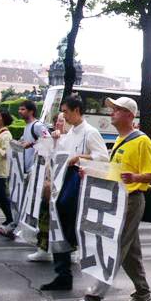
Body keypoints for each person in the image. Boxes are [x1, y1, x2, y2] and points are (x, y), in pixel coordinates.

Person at [67, 97, 151, 301]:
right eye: (113, 109)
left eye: (117, 109)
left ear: (129, 115)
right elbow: (114, 171)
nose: (112, 113)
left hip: (131, 201)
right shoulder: (120, 139)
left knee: (113, 248)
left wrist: (136, 177)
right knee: (130, 253)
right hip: (119, 201)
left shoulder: (141, 141)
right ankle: (143, 295)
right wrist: (91, 172)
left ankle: (92, 300)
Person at [41, 95, 109, 291]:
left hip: (78, 182)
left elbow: (103, 158)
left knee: (66, 224)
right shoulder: (71, 132)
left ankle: (71, 264)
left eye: (66, 111)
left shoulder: (90, 132)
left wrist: (79, 157)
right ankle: (63, 273)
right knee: (59, 225)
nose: (64, 115)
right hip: (64, 180)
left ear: (77, 110)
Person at [0, 100, 50, 240]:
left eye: (22, 109)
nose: (19, 112)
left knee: (25, 201)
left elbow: (48, 140)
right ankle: (19, 227)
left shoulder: (37, 126)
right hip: (24, 170)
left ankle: (16, 228)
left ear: (31, 111)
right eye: (19, 109)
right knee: (22, 200)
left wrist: (31, 144)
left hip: (33, 170)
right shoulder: (28, 127)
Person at [27, 112, 71, 263]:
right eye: (57, 120)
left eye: (62, 121)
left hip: (64, 187)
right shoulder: (51, 139)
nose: (59, 123)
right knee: (45, 216)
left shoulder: (72, 139)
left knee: (64, 221)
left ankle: (70, 251)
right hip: (48, 186)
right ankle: (43, 248)